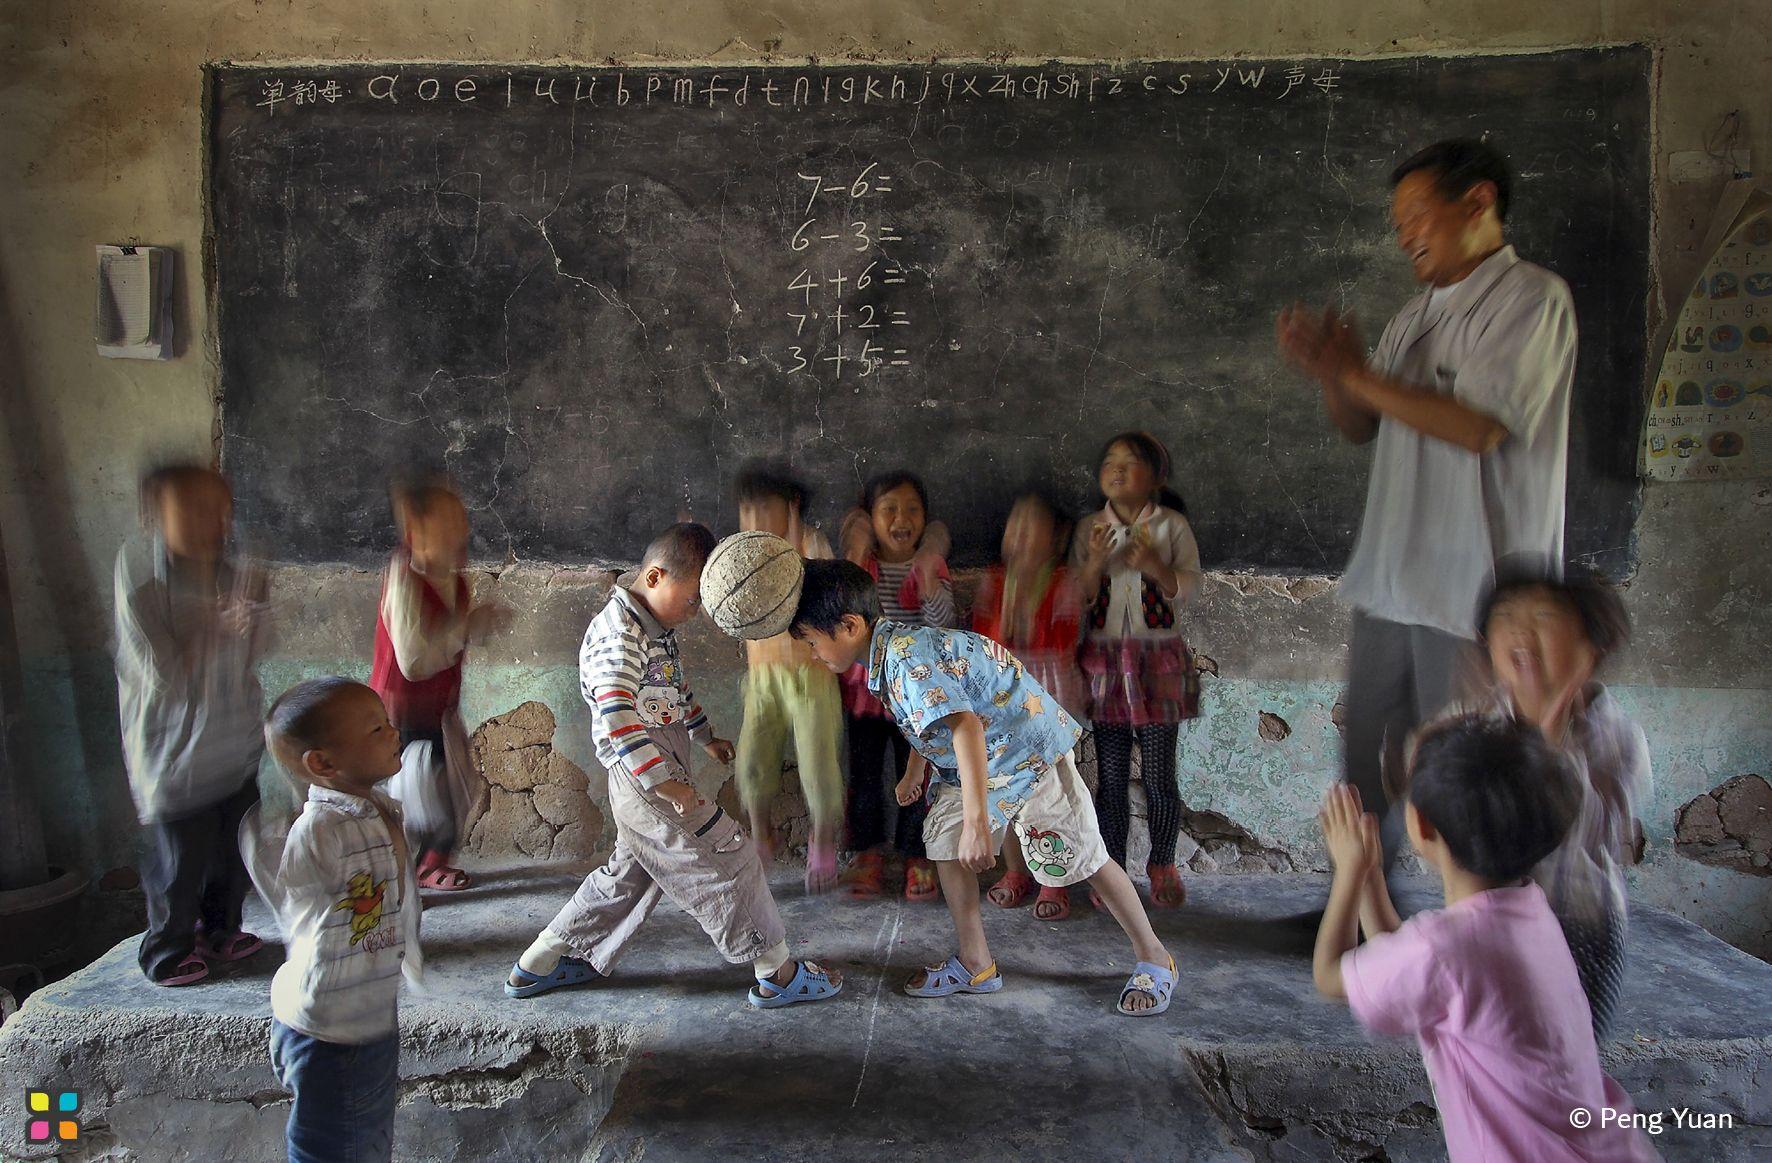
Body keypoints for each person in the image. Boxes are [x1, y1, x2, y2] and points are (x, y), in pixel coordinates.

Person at [1277, 138, 1577, 869]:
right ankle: (1354, 907)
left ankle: (1478, 923)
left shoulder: (1531, 299)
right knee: (1367, 755)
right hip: (1393, 574)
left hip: (1476, 585)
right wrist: (1333, 376)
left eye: (1417, 214)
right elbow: (1362, 426)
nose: (1404, 233)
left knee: (1467, 763)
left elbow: (1478, 425)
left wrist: (1357, 374)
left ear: (1478, 202)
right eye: (1398, 221)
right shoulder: (1413, 315)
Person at [791, 559, 1176, 1015]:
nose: (814, 654)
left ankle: (1156, 957)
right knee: (944, 840)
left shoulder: (906, 658)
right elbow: (936, 714)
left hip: (1027, 753)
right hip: (980, 760)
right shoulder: (888, 651)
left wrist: (978, 823)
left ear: (850, 625)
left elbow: (966, 727)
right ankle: (976, 963)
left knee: (1081, 854)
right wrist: (917, 769)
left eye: (814, 642)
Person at [505, 524, 842, 1008]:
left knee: (628, 878)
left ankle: (540, 961)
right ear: (657, 575)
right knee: (730, 854)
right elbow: (617, 713)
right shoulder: (618, 634)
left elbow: (675, 695)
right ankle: (777, 971)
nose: (699, 610)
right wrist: (663, 783)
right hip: (647, 782)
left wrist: (705, 738)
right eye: (693, 599)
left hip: (660, 774)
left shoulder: (656, 632)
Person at [1313, 713, 1656, 1161]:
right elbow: (1406, 963)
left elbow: (1331, 976)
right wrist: (1371, 878)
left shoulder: (1446, 948)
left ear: (1424, 826)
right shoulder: (1528, 913)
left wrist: (1349, 873)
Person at [1472, 559, 1650, 1038]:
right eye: (1504, 617)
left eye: (1544, 619)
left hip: (1578, 927)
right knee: (1499, 1055)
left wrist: (1547, 740)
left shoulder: (1614, 737)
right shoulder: (1482, 722)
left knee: (1570, 1058)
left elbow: (1578, 837)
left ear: (1590, 647)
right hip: (1492, 918)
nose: (1520, 633)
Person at [251, 677, 422, 1163]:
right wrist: (265, 857)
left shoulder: (377, 807)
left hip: (366, 1015)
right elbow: (299, 899)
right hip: (331, 1032)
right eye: (375, 730)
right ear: (322, 764)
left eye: (386, 723)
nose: (393, 733)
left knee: (362, 1136)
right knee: (333, 1146)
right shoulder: (320, 828)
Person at [114, 463, 269, 986]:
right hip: (174, 754)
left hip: (232, 746)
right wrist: (207, 629)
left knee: (234, 849)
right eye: (196, 510)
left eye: (222, 510)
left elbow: (255, 652)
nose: (214, 522)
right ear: (155, 513)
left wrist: (250, 619)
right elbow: (160, 677)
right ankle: (167, 948)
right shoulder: (142, 582)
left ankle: (222, 930)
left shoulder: (233, 573)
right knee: (179, 864)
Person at [1072, 433, 1203, 909]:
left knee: (1158, 774)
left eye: (1131, 463)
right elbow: (1080, 597)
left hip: (1156, 663)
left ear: (1155, 477)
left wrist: (1153, 565)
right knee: (1109, 777)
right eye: (1110, 461)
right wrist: (1091, 562)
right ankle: (1113, 873)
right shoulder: (1091, 528)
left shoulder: (1171, 526)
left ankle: (1162, 862)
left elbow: (1187, 586)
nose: (1118, 470)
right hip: (1106, 663)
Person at [369, 479, 501, 893]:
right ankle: (397, 876)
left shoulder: (458, 582)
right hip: (400, 714)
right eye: (446, 523)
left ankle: (430, 863)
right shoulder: (403, 576)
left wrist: (477, 627)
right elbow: (413, 662)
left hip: (440, 710)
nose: (459, 532)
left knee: (455, 789)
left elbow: (454, 642)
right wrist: (466, 627)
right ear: (415, 531)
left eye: (460, 521)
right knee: (412, 800)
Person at [838, 471, 958, 901]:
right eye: (888, 509)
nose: (901, 518)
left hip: (917, 699)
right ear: (870, 518)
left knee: (920, 779)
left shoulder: (930, 566)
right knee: (866, 776)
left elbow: (945, 626)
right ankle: (868, 852)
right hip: (868, 695)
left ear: (926, 520)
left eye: (912, 509)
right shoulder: (860, 568)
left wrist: (928, 587)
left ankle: (916, 853)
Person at [973, 492, 1089, 921]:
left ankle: (1053, 879)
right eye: (1014, 526)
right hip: (1003, 701)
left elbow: (1062, 636)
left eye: (1031, 526)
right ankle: (1016, 871)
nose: (1019, 536)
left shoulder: (1063, 582)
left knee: (1052, 795)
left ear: (1055, 539)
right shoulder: (995, 581)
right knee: (1005, 792)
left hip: (1047, 701)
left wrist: (1026, 608)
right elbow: (985, 644)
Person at [730, 464, 845, 893]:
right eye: (746, 510)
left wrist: (795, 544)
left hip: (811, 675)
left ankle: (823, 837)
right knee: (753, 762)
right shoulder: (740, 553)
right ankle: (760, 832)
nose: (755, 521)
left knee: (819, 766)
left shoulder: (812, 543)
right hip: (762, 676)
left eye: (765, 509)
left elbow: (826, 597)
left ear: (792, 508)